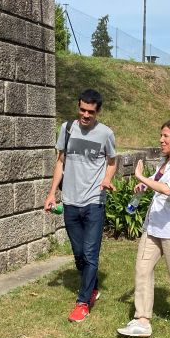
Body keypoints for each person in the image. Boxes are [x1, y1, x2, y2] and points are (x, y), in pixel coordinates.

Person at [116, 120, 170, 338]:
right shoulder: (165, 161)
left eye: (166, 136)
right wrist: (143, 185)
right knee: (142, 270)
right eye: (160, 135)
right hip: (153, 227)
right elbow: (156, 182)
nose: (161, 140)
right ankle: (142, 320)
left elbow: (168, 189)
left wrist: (141, 177)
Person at [44, 89, 116, 322]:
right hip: (71, 201)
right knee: (79, 255)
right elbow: (60, 163)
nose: (86, 115)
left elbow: (112, 162)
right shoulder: (66, 129)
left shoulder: (106, 134)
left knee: (90, 253)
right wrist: (52, 193)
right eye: (82, 110)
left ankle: (83, 302)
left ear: (98, 112)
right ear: (78, 107)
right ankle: (92, 287)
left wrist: (107, 179)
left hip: (94, 201)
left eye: (91, 112)